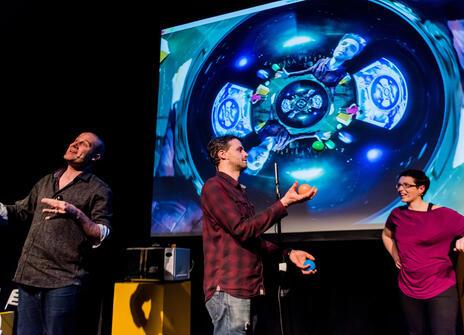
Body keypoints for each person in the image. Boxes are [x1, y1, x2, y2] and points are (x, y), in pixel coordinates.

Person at [201, 135, 318, 335]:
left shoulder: (239, 192)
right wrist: (283, 203)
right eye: (239, 150)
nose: (246, 153)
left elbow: (251, 238)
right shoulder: (215, 187)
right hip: (230, 288)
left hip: (247, 288)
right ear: (222, 154)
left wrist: (288, 253)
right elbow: (243, 229)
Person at [0, 132, 112, 335]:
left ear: (95, 156)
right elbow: (21, 211)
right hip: (29, 276)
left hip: (63, 280)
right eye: (75, 141)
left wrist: (74, 212)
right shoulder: (46, 181)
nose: (75, 145)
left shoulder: (98, 189)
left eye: (84, 144)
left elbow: (101, 233)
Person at [382, 169, 464, 335]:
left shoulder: (442, 214)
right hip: (408, 288)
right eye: (398, 185)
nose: (400, 189)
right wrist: (395, 254)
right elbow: (386, 234)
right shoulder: (397, 214)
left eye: (406, 185)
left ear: (421, 189)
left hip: (440, 287)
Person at [275, 33, 367, 87]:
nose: (345, 48)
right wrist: (289, 74)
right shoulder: (322, 61)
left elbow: (336, 89)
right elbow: (308, 71)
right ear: (337, 46)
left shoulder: (343, 75)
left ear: (351, 56)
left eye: (352, 48)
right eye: (344, 43)